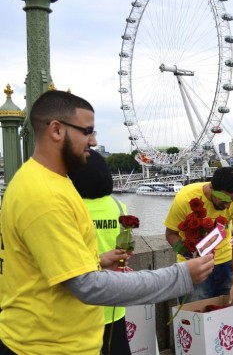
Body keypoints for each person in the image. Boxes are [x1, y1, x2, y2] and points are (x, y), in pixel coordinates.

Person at [0, 90, 214, 355]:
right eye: (87, 131)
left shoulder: (52, 181)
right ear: (56, 130)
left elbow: (46, 265)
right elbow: (87, 286)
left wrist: (97, 261)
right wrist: (180, 276)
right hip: (47, 347)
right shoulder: (44, 195)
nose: (94, 141)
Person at [68, 149, 131, 355]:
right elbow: (127, 248)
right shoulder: (119, 207)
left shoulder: (70, 208)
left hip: (80, 300)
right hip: (113, 296)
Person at [165, 167, 233, 305]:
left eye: (232, 200)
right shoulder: (185, 198)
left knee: (232, 317)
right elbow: (170, 234)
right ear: (212, 187)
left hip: (227, 263)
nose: (228, 205)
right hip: (195, 266)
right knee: (195, 318)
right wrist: (190, 254)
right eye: (224, 199)